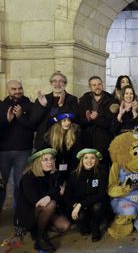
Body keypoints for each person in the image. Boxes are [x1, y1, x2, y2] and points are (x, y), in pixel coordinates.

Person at [15, 148, 70, 252]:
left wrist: (52, 194)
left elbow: (61, 196)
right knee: (51, 204)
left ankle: (40, 227)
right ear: (37, 162)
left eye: (51, 159)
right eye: (45, 160)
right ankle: (41, 238)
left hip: (44, 210)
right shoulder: (28, 177)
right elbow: (36, 201)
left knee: (64, 225)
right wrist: (54, 193)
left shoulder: (53, 175)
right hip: (29, 212)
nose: (49, 162)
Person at [0, 80, 35, 212]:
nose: (17, 91)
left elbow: (33, 126)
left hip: (23, 151)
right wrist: (6, 121)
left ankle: (19, 214)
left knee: (20, 184)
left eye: (20, 88)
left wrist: (20, 117)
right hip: (3, 152)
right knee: (1, 184)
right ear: (7, 89)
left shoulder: (31, 106)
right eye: (14, 89)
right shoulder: (1, 106)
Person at [64, 149, 107, 242]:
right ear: (81, 160)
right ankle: (84, 225)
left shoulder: (101, 174)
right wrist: (74, 205)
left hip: (93, 204)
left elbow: (101, 195)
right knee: (81, 218)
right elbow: (67, 196)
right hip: (79, 207)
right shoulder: (74, 175)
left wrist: (80, 204)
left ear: (96, 160)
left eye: (92, 158)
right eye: (86, 158)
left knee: (98, 206)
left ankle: (95, 227)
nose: (89, 161)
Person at [32, 71, 79, 150]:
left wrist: (61, 105)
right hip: (44, 140)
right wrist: (42, 107)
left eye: (61, 81)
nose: (57, 84)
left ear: (65, 84)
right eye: (54, 81)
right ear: (51, 83)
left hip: (64, 141)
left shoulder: (72, 99)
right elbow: (34, 121)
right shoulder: (42, 99)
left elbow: (75, 119)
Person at [78, 76, 114, 170]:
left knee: (103, 169)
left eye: (99, 84)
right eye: (94, 85)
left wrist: (96, 119)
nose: (97, 87)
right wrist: (89, 119)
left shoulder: (111, 100)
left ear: (102, 85)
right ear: (90, 87)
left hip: (103, 140)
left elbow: (109, 123)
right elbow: (79, 121)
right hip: (87, 140)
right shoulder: (84, 100)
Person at [44, 113, 83, 184]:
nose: (67, 123)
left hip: (70, 170)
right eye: (64, 120)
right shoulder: (50, 138)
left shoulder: (75, 136)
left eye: (69, 120)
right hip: (53, 171)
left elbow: (75, 157)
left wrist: (71, 174)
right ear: (58, 123)